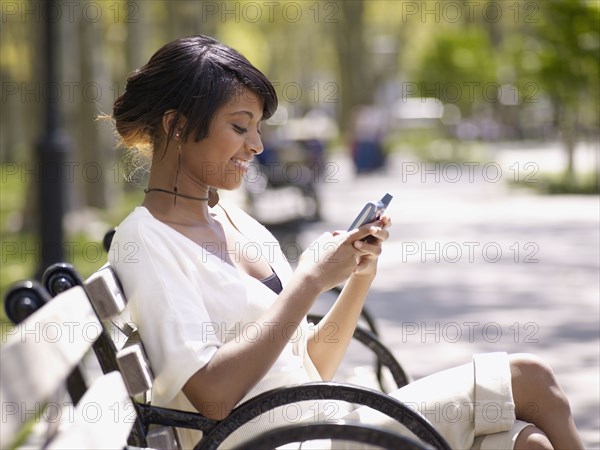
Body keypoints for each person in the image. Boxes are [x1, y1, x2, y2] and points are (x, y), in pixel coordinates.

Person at [108, 35, 583, 450]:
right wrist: (311, 280)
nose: (256, 145)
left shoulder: (236, 223)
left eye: (258, 128)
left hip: (320, 421)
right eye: (239, 126)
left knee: (527, 443)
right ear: (174, 125)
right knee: (531, 380)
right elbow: (211, 397)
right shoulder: (146, 240)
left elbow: (311, 365)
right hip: (288, 439)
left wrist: (357, 278)